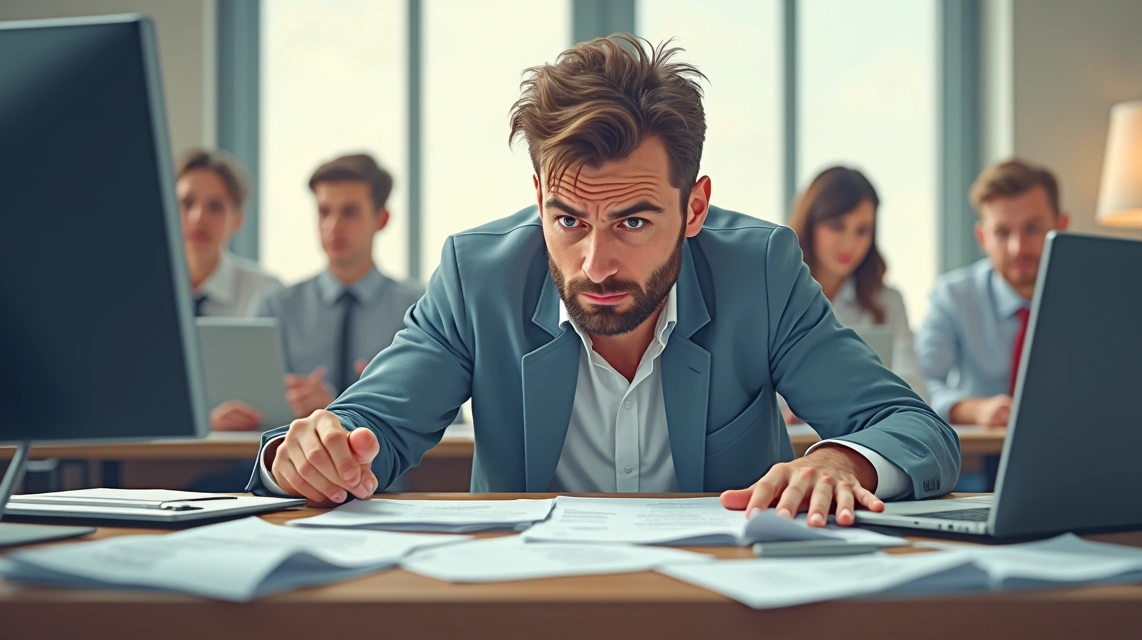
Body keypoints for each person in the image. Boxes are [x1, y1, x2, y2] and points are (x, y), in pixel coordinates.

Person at [246, 35, 959, 528]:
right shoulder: (478, 277)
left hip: (724, 608)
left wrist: (842, 459)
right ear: (538, 201)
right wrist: (305, 455)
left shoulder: (762, 271)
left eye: (634, 222)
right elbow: (365, 427)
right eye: (568, 220)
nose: (595, 264)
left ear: (696, 207)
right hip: (535, 610)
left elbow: (916, 430)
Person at [210, 154, 426, 432]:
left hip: (390, 472)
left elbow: (450, 418)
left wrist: (348, 409)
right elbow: (245, 402)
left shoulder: (418, 308)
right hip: (289, 469)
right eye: (324, 211)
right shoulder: (276, 307)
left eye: (349, 212)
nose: (333, 226)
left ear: (381, 219)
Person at [916, 159, 1070, 427]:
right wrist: (974, 410)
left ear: (1062, 225)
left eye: (1032, 229)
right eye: (1002, 232)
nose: (1017, 248)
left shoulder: (1093, 298)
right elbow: (917, 383)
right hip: (977, 459)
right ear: (982, 237)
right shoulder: (953, 296)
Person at [786, 166, 928, 402]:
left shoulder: (887, 301)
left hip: (866, 435)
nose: (849, 242)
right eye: (837, 226)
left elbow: (915, 389)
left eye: (862, 230)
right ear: (810, 225)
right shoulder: (777, 294)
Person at [176, 149, 282, 318]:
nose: (198, 218)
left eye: (215, 207)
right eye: (186, 203)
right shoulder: (138, 288)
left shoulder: (266, 293)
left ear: (237, 220)